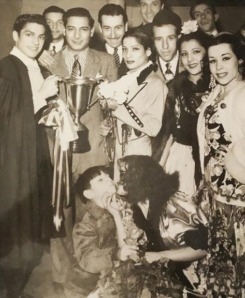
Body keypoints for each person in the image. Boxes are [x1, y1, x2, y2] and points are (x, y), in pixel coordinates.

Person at [48, 7, 118, 293]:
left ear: (92, 31)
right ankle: (63, 275)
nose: (77, 35)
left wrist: (108, 124)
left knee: (97, 213)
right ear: (64, 29)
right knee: (60, 214)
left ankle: (101, 272)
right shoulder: (49, 62)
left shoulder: (107, 61)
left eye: (83, 29)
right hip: (60, 150)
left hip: (95, 150)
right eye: (71, 28)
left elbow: (114, 107)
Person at [0, 14, 59, 298]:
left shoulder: (33, 66)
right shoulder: (7, 68)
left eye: (40, 36)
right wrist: (41, 97)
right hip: (11, 160)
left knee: (30, 224)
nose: (36, 41)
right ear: (15, 36)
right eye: (29, 35)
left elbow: (30, 116)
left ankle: (16, 286)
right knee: (14, 224)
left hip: (31, 155)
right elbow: (6, 118)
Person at [117, 155, 208, 297]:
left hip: (189, 278)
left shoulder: (175, 203)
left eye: (124, 173)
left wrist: (161, 256)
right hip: (155, 276)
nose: (119, 180)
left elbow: (204, 249)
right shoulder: (134, 206)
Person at [197, 32, 245, 297]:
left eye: (226, 58)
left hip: (239, 199)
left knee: (239, 263)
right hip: (219, 196)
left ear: (240, 59)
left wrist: (234, 161)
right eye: (213, 61)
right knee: (224, 261)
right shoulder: (217, 91)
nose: (219, 67)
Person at [99, 29, 167, 181]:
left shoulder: (155, 83)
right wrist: (109, 124)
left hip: (139, 153)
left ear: (148, 51)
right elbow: (125, 116)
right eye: (125, 49)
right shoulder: (127, 79)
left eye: (135, 49)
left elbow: (153, 127)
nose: (128, 55)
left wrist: (118, 108)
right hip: (120, 152)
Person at [65, 166, 138, 297]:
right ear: (89, 194)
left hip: (115, 273)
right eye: (100, 180)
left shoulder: (121, 205)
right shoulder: (85, 222)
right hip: (86, 284)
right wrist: (115, 254)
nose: (109, 180)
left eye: (108, 177)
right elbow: (87, 257)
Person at [162, 24, 211, 197]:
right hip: (182, 157)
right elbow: (170, 132)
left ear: (207, 52)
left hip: (213, 159)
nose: (190, 59)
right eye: (184, 54)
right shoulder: (175, 88)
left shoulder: (218, 87)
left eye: (196, 52)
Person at [150, 9, 184, 162]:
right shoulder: (145, 70)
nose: (164, 46)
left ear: (179, 37)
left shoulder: (192, 66)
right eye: (158, 39)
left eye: (170, 38)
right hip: (155, 150)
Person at [97, 3, 128, 77]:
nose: (113, 35)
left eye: (118, 28)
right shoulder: (92, 55)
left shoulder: (138, 53)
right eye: (107, 28)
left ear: (126, 26)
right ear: (100, 28)